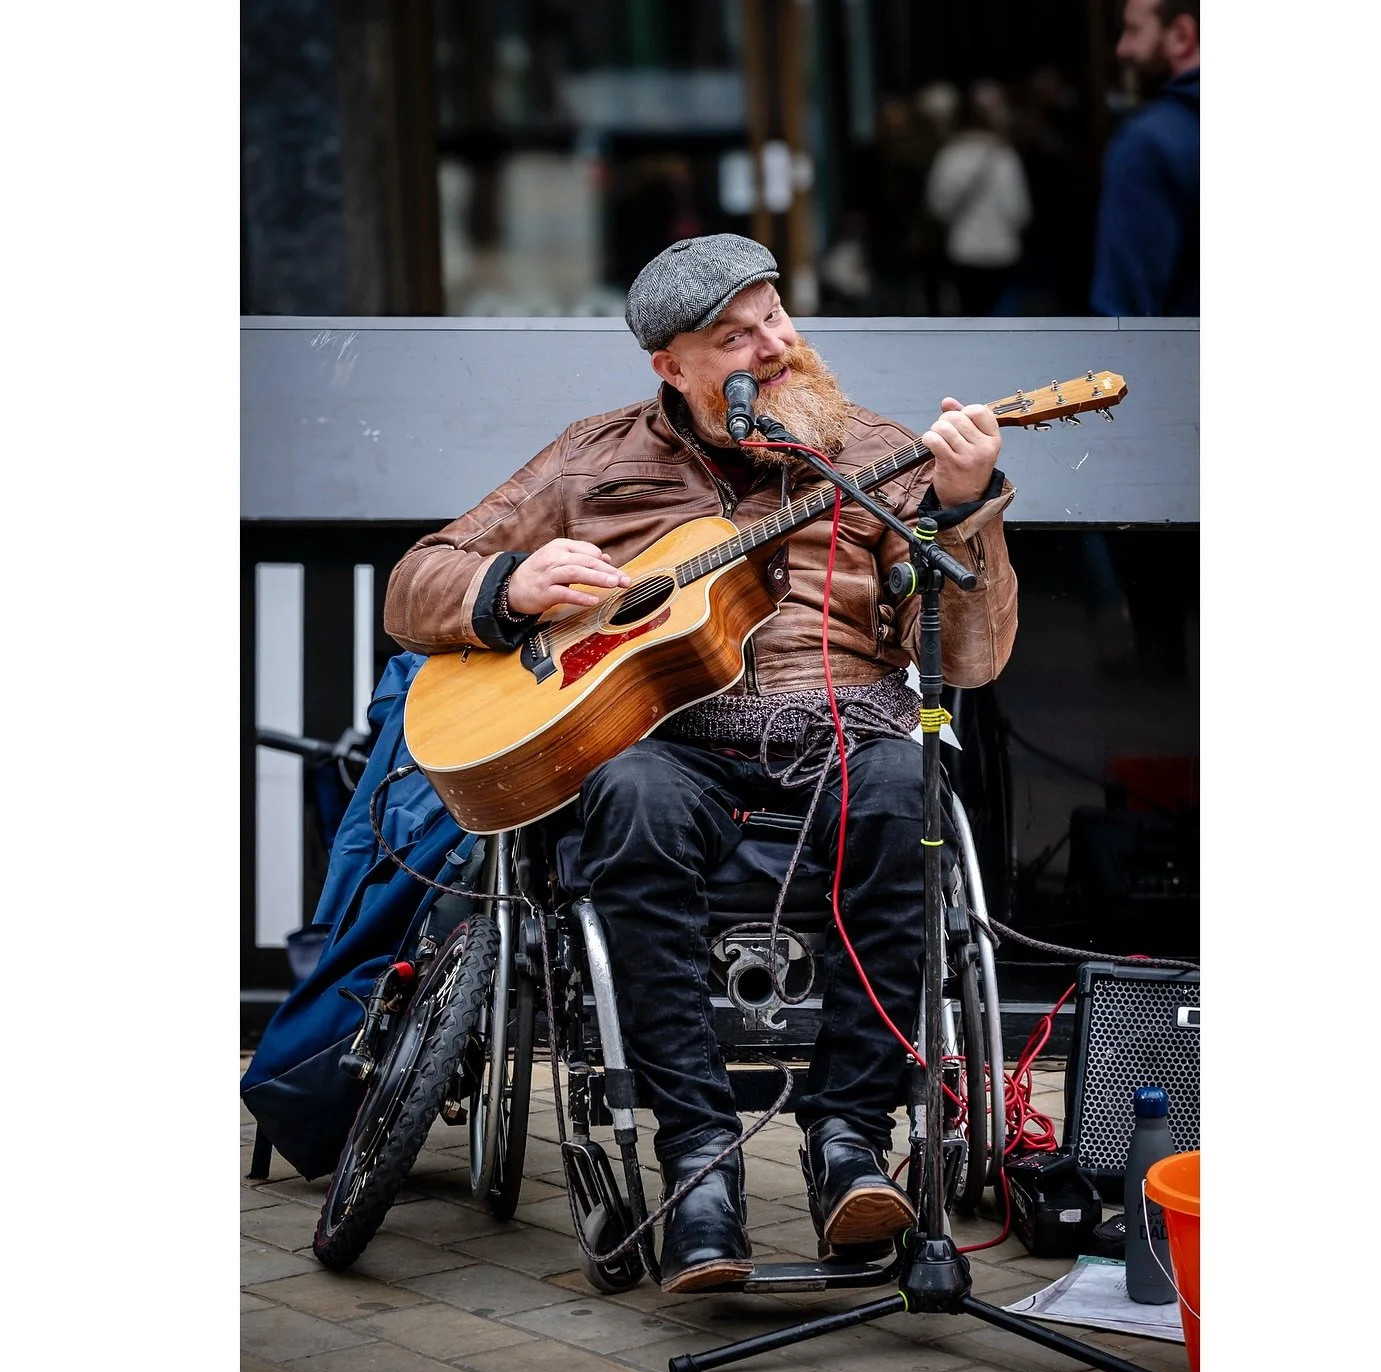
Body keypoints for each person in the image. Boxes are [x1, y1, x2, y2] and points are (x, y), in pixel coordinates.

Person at [383, 233, 1019, 1293]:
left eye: (777, 315)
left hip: (850, 740)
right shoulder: (591, 460)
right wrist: (509, 581)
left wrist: (966, 508)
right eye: (734, 335)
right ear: (669, 367)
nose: (773, 345)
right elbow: (418, 579)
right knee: (626, 797)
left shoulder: (874, 451)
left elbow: (978, 653)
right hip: (677, 748)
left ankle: (849, 1141)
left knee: (915, 790)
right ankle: (699, 1160)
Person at [1089, 0, 1200, 317]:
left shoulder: (1148, 144)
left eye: (1134, 30)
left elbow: (1124, 322)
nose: (1123, 49)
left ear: (1181, 35)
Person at [923, 79, 1032, 318]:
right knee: (1003, 322)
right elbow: (1019, 210)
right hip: (1003, 251)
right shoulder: (1005, 156)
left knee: (968, 321)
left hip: (964, 250)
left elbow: (937, 206)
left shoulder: (950, 155)